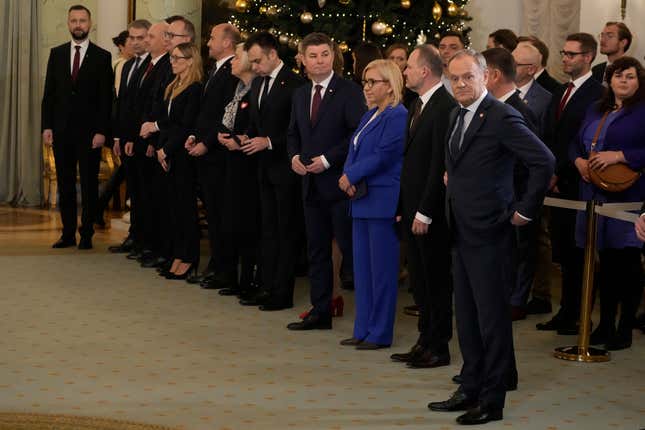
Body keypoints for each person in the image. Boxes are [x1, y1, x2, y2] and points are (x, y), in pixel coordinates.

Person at [428, 49, 554, 425]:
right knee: (465, 318)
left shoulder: (501, 115)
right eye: (454, 78)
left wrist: (525, 210)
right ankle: (470, 386)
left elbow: (543, 161)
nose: (461, 84)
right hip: (461, 231)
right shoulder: (455, 114)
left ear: (486, 77)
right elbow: (461, 163)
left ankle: (492, 400)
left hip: (491, 233)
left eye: (468, 77)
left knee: (492, 321)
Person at [287, 32, 366, 330]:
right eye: (313, 55)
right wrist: (294, 156)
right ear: (302, 59)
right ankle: (320, 311)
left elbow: (357, 134)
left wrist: (328, 160)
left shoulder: (348, 91)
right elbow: (293, 132)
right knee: (317, 250)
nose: (319, 60)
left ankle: (369, 317)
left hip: (340, 184)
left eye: (324, 54)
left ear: (333, 56)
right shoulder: (299, 93)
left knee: (351, 249)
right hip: (310, 185)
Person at [571, 56, 645, 350]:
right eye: (618, 76)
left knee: (624, 263)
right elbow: (575, 142)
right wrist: (577, 161)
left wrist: (621, 156)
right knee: (599, 263)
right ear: (609, 80)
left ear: (639, 82)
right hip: (592, 194)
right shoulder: (595, 108)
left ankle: (624, 328)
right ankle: (603, 325)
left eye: (630, 76)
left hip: (628, 196)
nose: (623, 81)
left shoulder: (642, 111)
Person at [390, 44, 456, 367]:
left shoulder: (444, 106)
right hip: (413, 207)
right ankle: (423, 340)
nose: (404, 72)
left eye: (409, 67)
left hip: (430, 213)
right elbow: (410, 162)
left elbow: (437, 165)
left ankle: (438, 347)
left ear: (425, 71)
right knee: (419, 280)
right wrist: (405, 206)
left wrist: (425, 210)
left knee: (435, 281)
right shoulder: (417, 103)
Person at [537, 33, 603, 335]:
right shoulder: (562, 90)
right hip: (556, 181)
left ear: (589, 57)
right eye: (563, 53)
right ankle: (565, 311)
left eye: (572, 54)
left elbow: (583, 138)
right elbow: (549, 135)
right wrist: (549, 170)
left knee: (579, 253)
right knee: (562, 251)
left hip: (578, 182)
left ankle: (579, 314)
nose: (565, 59)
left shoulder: (596, 93)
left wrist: (561, 172)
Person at [338, 59, 406, 349]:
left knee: (382, 272)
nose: (365, 88)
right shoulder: (370, 116)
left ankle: (379, 332)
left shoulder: (397, 115)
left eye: (372, 82)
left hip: (382, 200)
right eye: (364, 82)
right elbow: (353, 148)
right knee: (363, 270)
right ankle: (362, 327)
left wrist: (351, 175)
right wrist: (347, 174)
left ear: (390, 86)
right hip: (361, 198)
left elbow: (385, 154)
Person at [238, 32, 304, 310]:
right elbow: (257, 121)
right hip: (263, 169)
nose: (254, 66)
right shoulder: (257, 84)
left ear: (273, 54)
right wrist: (246, 136)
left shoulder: (295, 84)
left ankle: (282, 292)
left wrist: (269, 142)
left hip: (285, 169)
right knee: (267, 230)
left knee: (285, 231)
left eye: (257, 61)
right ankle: (265, 286)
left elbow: (296, 130)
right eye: (251, 62)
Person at [42, 4, 113, 250]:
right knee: (65, 183)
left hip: (90, 134)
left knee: (90, 185)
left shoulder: (102, 57)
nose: (78, 25)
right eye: (74, 21)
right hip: (61, 131)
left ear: (89, 24)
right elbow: (49, 94)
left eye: (82, 20)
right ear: (68, 23)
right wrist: (46, 126)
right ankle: (68, 233)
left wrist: (102, 131)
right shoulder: (57, 53)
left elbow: (106, 99)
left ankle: (87, 233)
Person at [184, 23, 239, 289]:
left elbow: (225, 116)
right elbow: (205, 112)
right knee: (214, 214)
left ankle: (223, 268)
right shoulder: (214, 70)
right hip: (206, 152)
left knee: (221, 215)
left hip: (219, 155)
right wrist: (195, 135)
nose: (208, 43)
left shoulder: (232, 71)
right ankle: (216, 265)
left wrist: (206, 143)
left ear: (227, 43)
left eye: (213, 38)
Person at [214, 43, 261, 298]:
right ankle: (232, 276)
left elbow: (255, 127)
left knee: (247, 222)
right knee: (232, 220)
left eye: (238, 55)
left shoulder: (256, 88)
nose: (233, 60)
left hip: (249, 164)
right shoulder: (237, 88)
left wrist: (240, 139)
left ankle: (248, 280)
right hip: (231, 161)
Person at [155, 43, 203, 279]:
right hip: (168, 153)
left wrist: (167, 150)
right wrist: (160, 150)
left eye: (177, 58)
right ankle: (177, 253)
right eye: (171, 57)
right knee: (173, 208)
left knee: (185, 208)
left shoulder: (195, 89)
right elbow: (165, 123)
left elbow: (185, 126)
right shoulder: (173, 86)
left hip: (183, 156)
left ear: (190, 60)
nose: (172, 61)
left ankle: (189, 257)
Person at [112, 20, 152, 262]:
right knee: (135, 192)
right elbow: (122, 105)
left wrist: (137, 139)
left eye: (141, 37)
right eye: (133, 38)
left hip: (142, 140)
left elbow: (145, 109)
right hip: (127, 140)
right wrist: (118, 136)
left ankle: (144, 239)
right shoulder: (127, 66)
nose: (136, 42)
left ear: (149, 38)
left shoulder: (153, 66)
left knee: (145, 193)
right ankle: (134, 236)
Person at [512, 43, 552, 137]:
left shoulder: (545, 100)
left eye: (515, 64)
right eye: (509, 62)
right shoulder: (497, 89)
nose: (509, 67)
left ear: (531, 70)